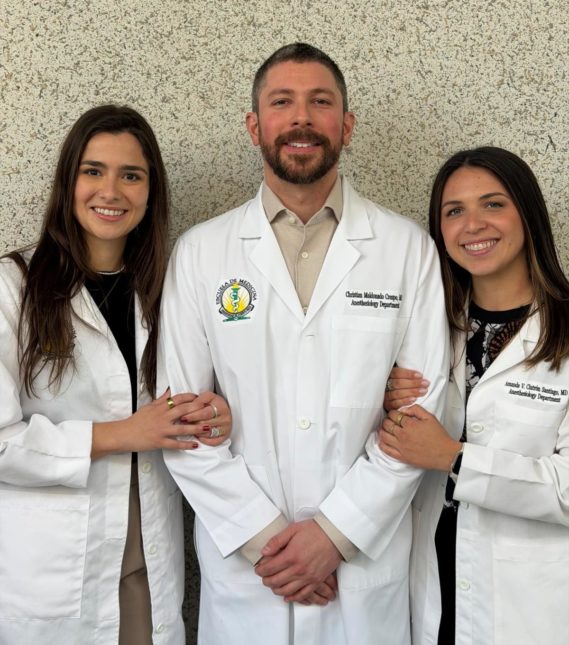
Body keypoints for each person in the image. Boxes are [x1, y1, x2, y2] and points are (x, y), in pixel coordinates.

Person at [160, 43, 449, 645]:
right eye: (282, 102)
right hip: (250, 575)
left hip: (360, 568)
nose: (301, 118)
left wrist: (336, 536)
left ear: (346, 125)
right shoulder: (201, 253)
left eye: (320, 102)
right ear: (254, 126)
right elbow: (180, 421)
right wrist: (273, 545)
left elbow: (424, 414)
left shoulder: (406, 249)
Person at [0, 104, 231, 645]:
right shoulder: (12, 288)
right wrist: (123, 433)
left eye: (131, 175)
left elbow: (202, 393)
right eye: (93, 171)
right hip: (51, 573)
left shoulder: (168, 290)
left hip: (146, 563)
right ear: (68, 182)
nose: (111, 191)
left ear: (150, 193)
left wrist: (216, 413)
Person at [381, 146, 569, 645]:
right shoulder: (425, 332)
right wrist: (382, 400)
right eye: (454, 211)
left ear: (527, 214)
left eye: (493, 204)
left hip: (530, 607)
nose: (473, 225)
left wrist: (454, 458)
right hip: (431, 589)